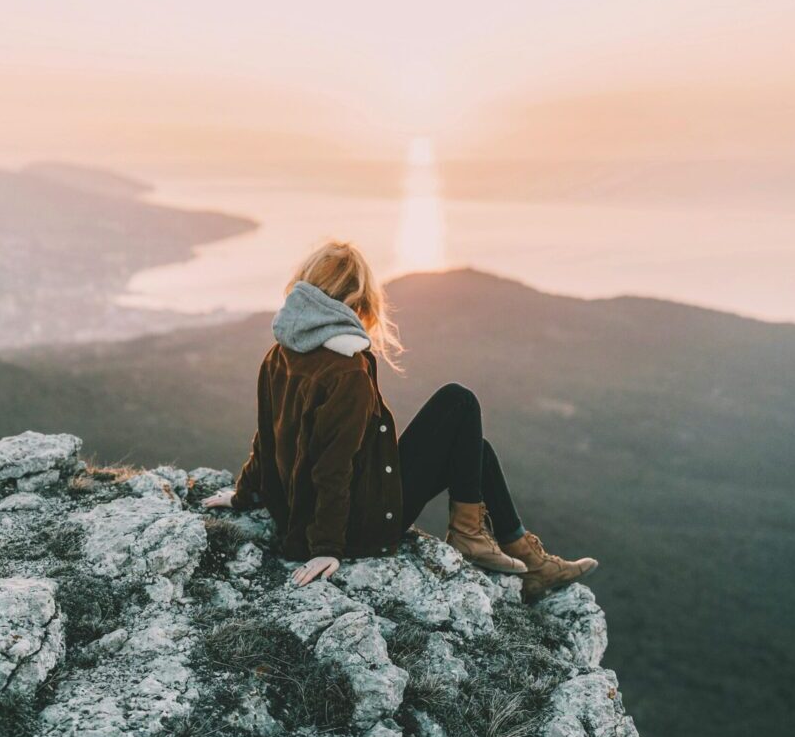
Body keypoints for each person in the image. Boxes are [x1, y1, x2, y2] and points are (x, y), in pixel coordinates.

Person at [203, 240, 597, 601]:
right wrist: (326, 547)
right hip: (361, 525)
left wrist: (245, 493)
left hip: (310, 511)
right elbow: (332, 466)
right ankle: (469, 536)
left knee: (474, 451)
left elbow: (268, 438)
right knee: (458, 402)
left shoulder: (279, 353)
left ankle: (529, 563)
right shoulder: (346, 371)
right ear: (356, 301)